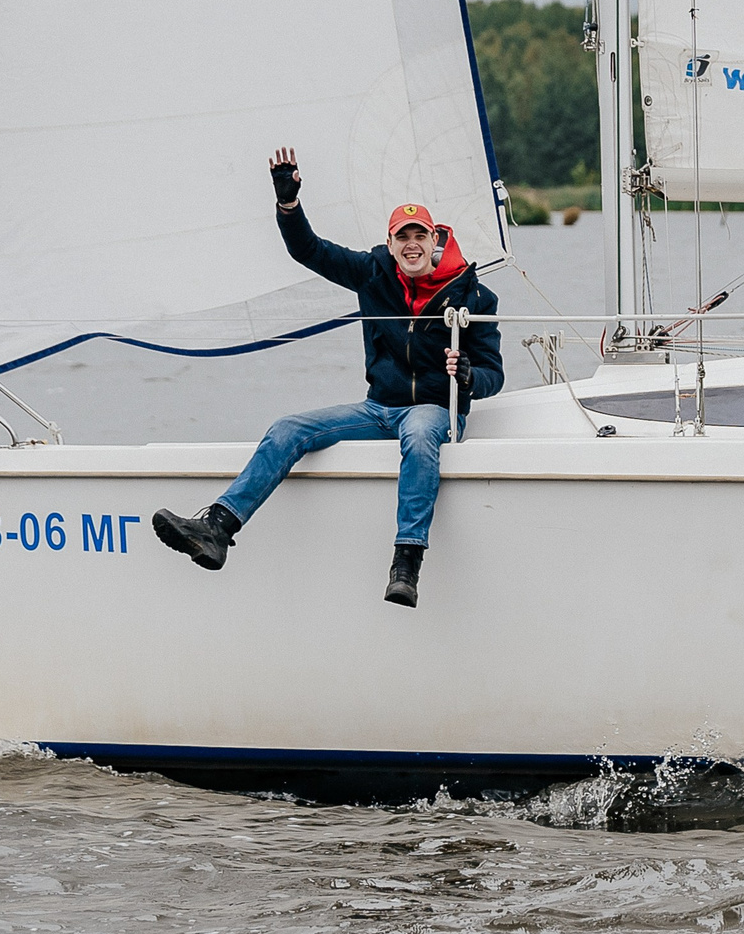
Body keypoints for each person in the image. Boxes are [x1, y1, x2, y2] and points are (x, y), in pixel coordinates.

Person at [151, 148, 504, 606]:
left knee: (419, 434)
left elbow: (494, 374)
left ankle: (406, 563)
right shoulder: (372, 272)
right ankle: (217, 527)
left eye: (420, 235)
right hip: (379, 409)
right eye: (403, 237)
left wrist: (470, 378)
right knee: (288, 427)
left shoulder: (474, 295)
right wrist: (289, 205)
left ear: (435, 239)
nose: (411, 244)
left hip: (438, 412)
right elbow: (309, 250)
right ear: (392, 243)